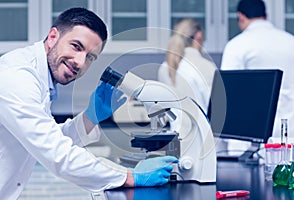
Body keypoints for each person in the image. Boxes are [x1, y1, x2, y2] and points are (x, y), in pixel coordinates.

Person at [0, 7, 178, 199]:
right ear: (52, 36)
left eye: (90, 57)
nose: (80, 62)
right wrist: (130, 176)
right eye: (76, 46)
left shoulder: (40, 78)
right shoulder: (17, 77)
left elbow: (44, 138)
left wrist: (89, 118)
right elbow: (56, 154)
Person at [221, 0, 294, 142]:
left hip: (249, 136)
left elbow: (227, 94)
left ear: (241, 17)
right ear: (266, 15)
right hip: (288, 133)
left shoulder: (237, 45)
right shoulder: (292, 42)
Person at [158, 18, 217, 115]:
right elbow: (216, 107)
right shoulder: (207, 66)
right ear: (199, 36)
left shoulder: (165, 67)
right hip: (203, 129)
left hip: (176, 129)